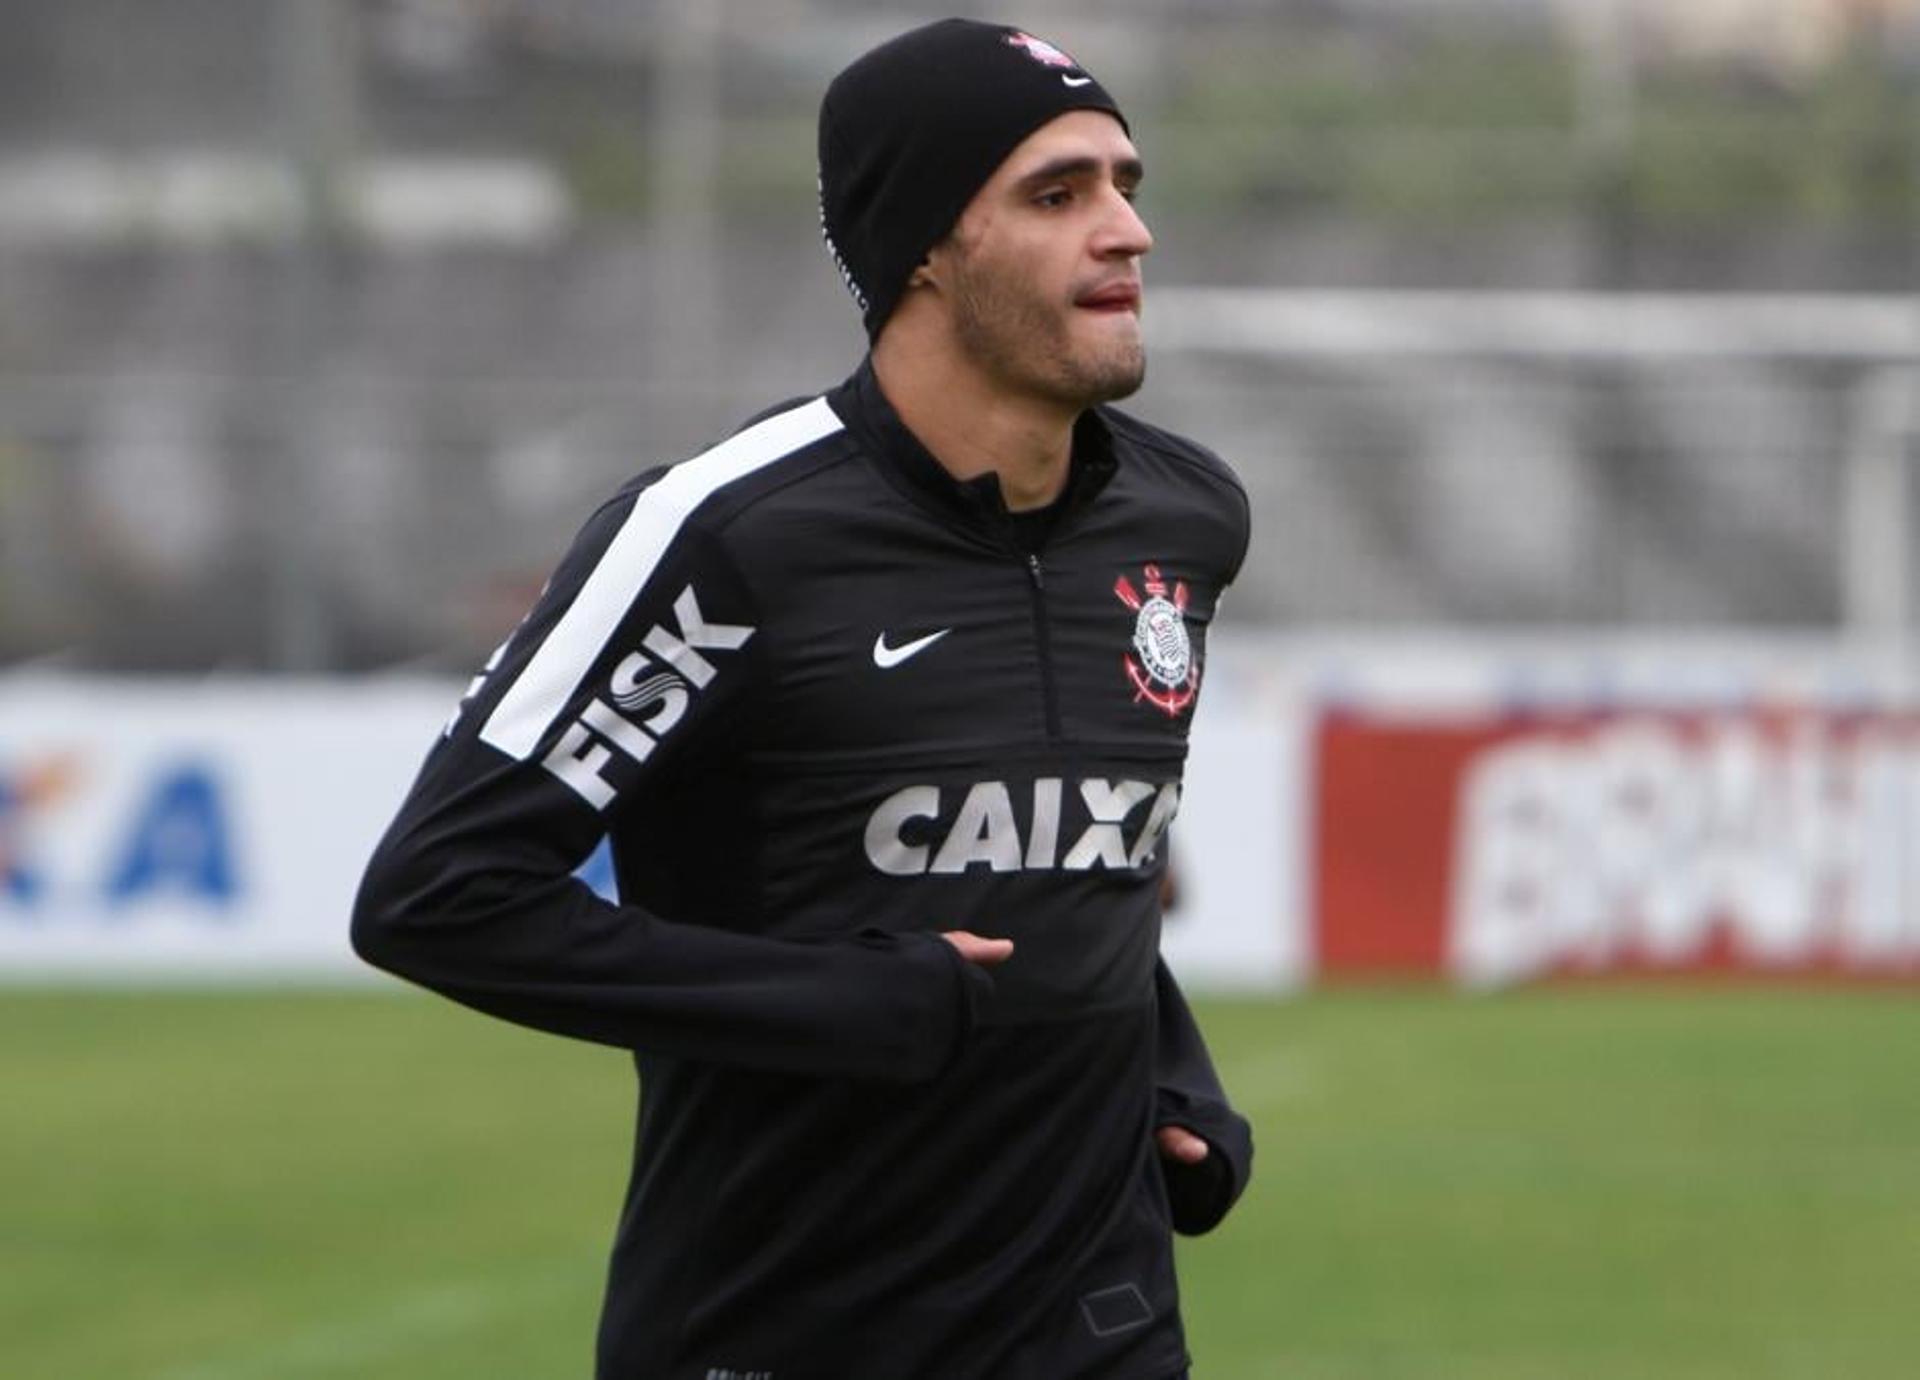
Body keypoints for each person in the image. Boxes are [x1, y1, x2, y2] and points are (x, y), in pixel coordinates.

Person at [353, 18, 1252, 1380]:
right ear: (927, 251)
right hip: (786, 1332)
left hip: (1100, 1330)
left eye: (1126, 183)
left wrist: (1170, 1070)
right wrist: (840, 1004)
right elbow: (440, 897)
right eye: (1059, 194)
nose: (1127, 231)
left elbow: (1084, 861)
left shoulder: (1185, 518)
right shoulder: (726, 537)